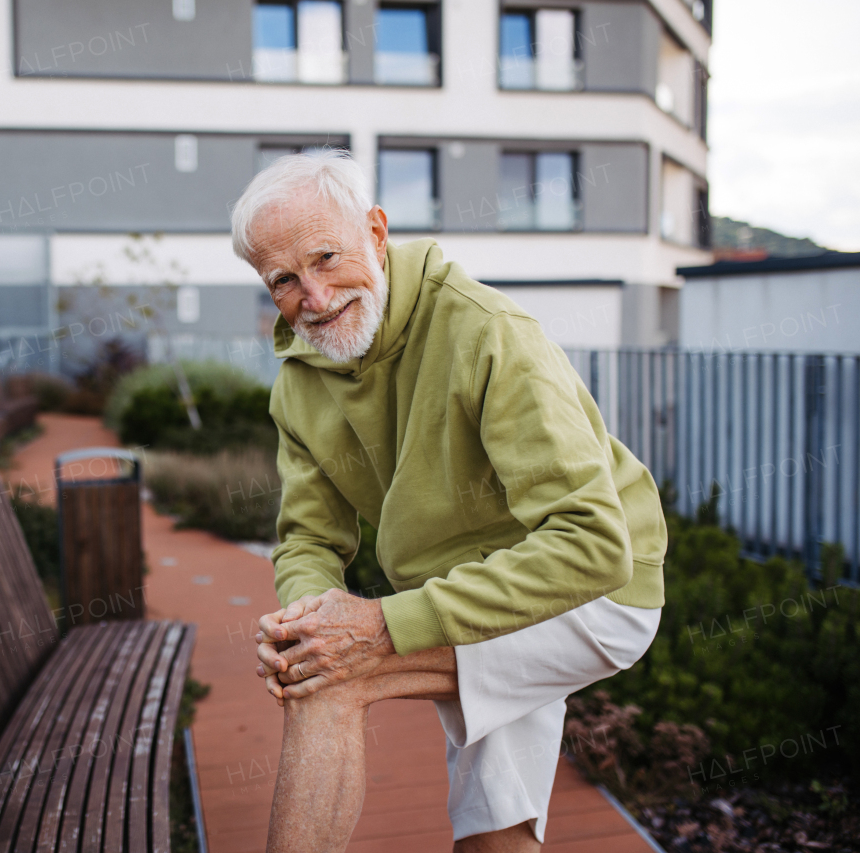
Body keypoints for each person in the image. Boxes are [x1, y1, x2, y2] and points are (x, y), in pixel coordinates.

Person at [229, 149, 668, 853]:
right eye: (283, 279)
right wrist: (304, 619)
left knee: (331, 680)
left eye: (325, 257)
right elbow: (310, 538)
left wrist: (377, 626)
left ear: (376, 231)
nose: (312, 296)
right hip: (472, 593)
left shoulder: (484, 330)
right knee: (494, 832)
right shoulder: (299, 384)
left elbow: (592, 543)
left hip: (595, 591)